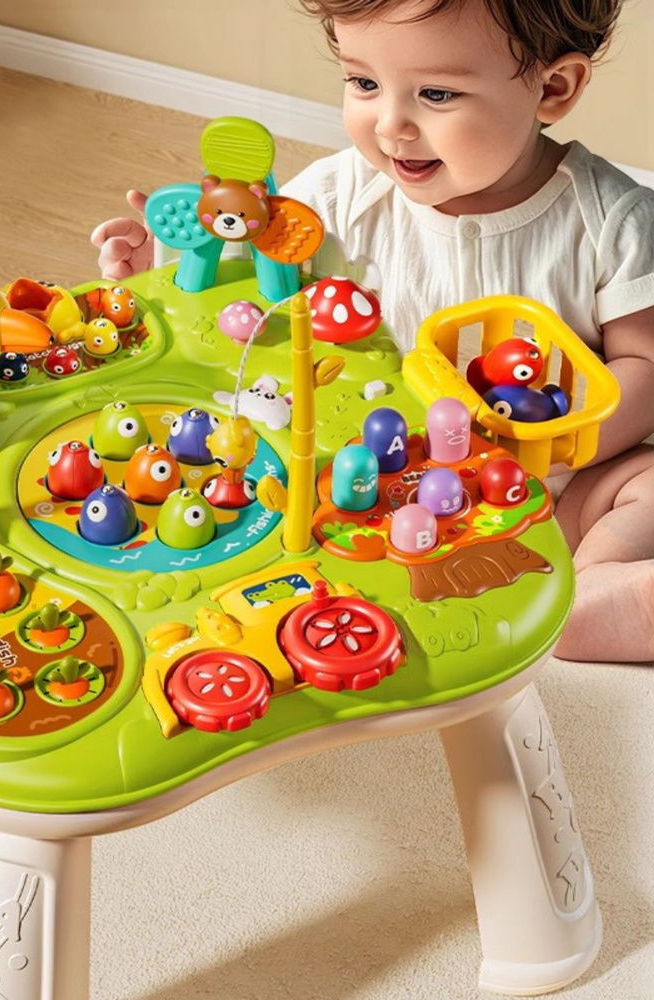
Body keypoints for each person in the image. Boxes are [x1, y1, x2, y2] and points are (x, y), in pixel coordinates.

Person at [91, 0, 654, 663]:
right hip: (366, 487)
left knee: (646, 485)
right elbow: (248, 302)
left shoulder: (613, 221)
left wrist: (542, 447)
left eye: (436, 94)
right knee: (260, 477)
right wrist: (166, 265)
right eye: (363, 82)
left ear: (553, 89)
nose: (390, 125)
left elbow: (644, 367)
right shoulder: (333, 201)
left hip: (555, 487)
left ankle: (595, 587)